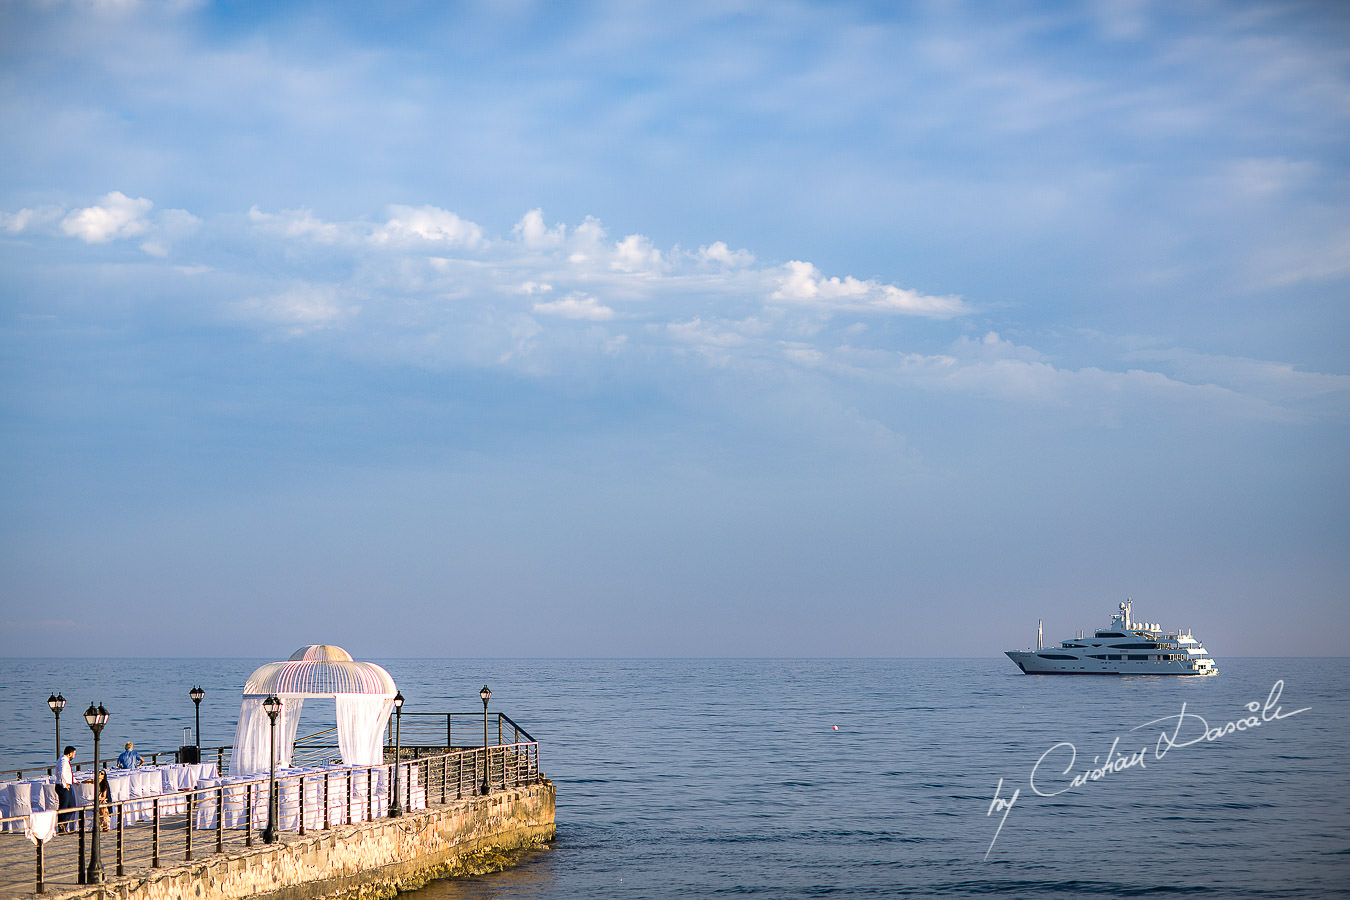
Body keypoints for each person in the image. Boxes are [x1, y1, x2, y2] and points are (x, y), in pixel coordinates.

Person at [55, 745, 78, 834]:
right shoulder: (63, 761)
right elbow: (62, 773)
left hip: (66, 785)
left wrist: (75, 781)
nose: (74, 756)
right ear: (70, 753)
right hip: (63, 786)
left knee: (70, 805)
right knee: (66, 806)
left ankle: (63, 825)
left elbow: (69, 774)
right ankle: (62, 825)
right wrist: (65, 784)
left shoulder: (64, 760)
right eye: (74, 754)